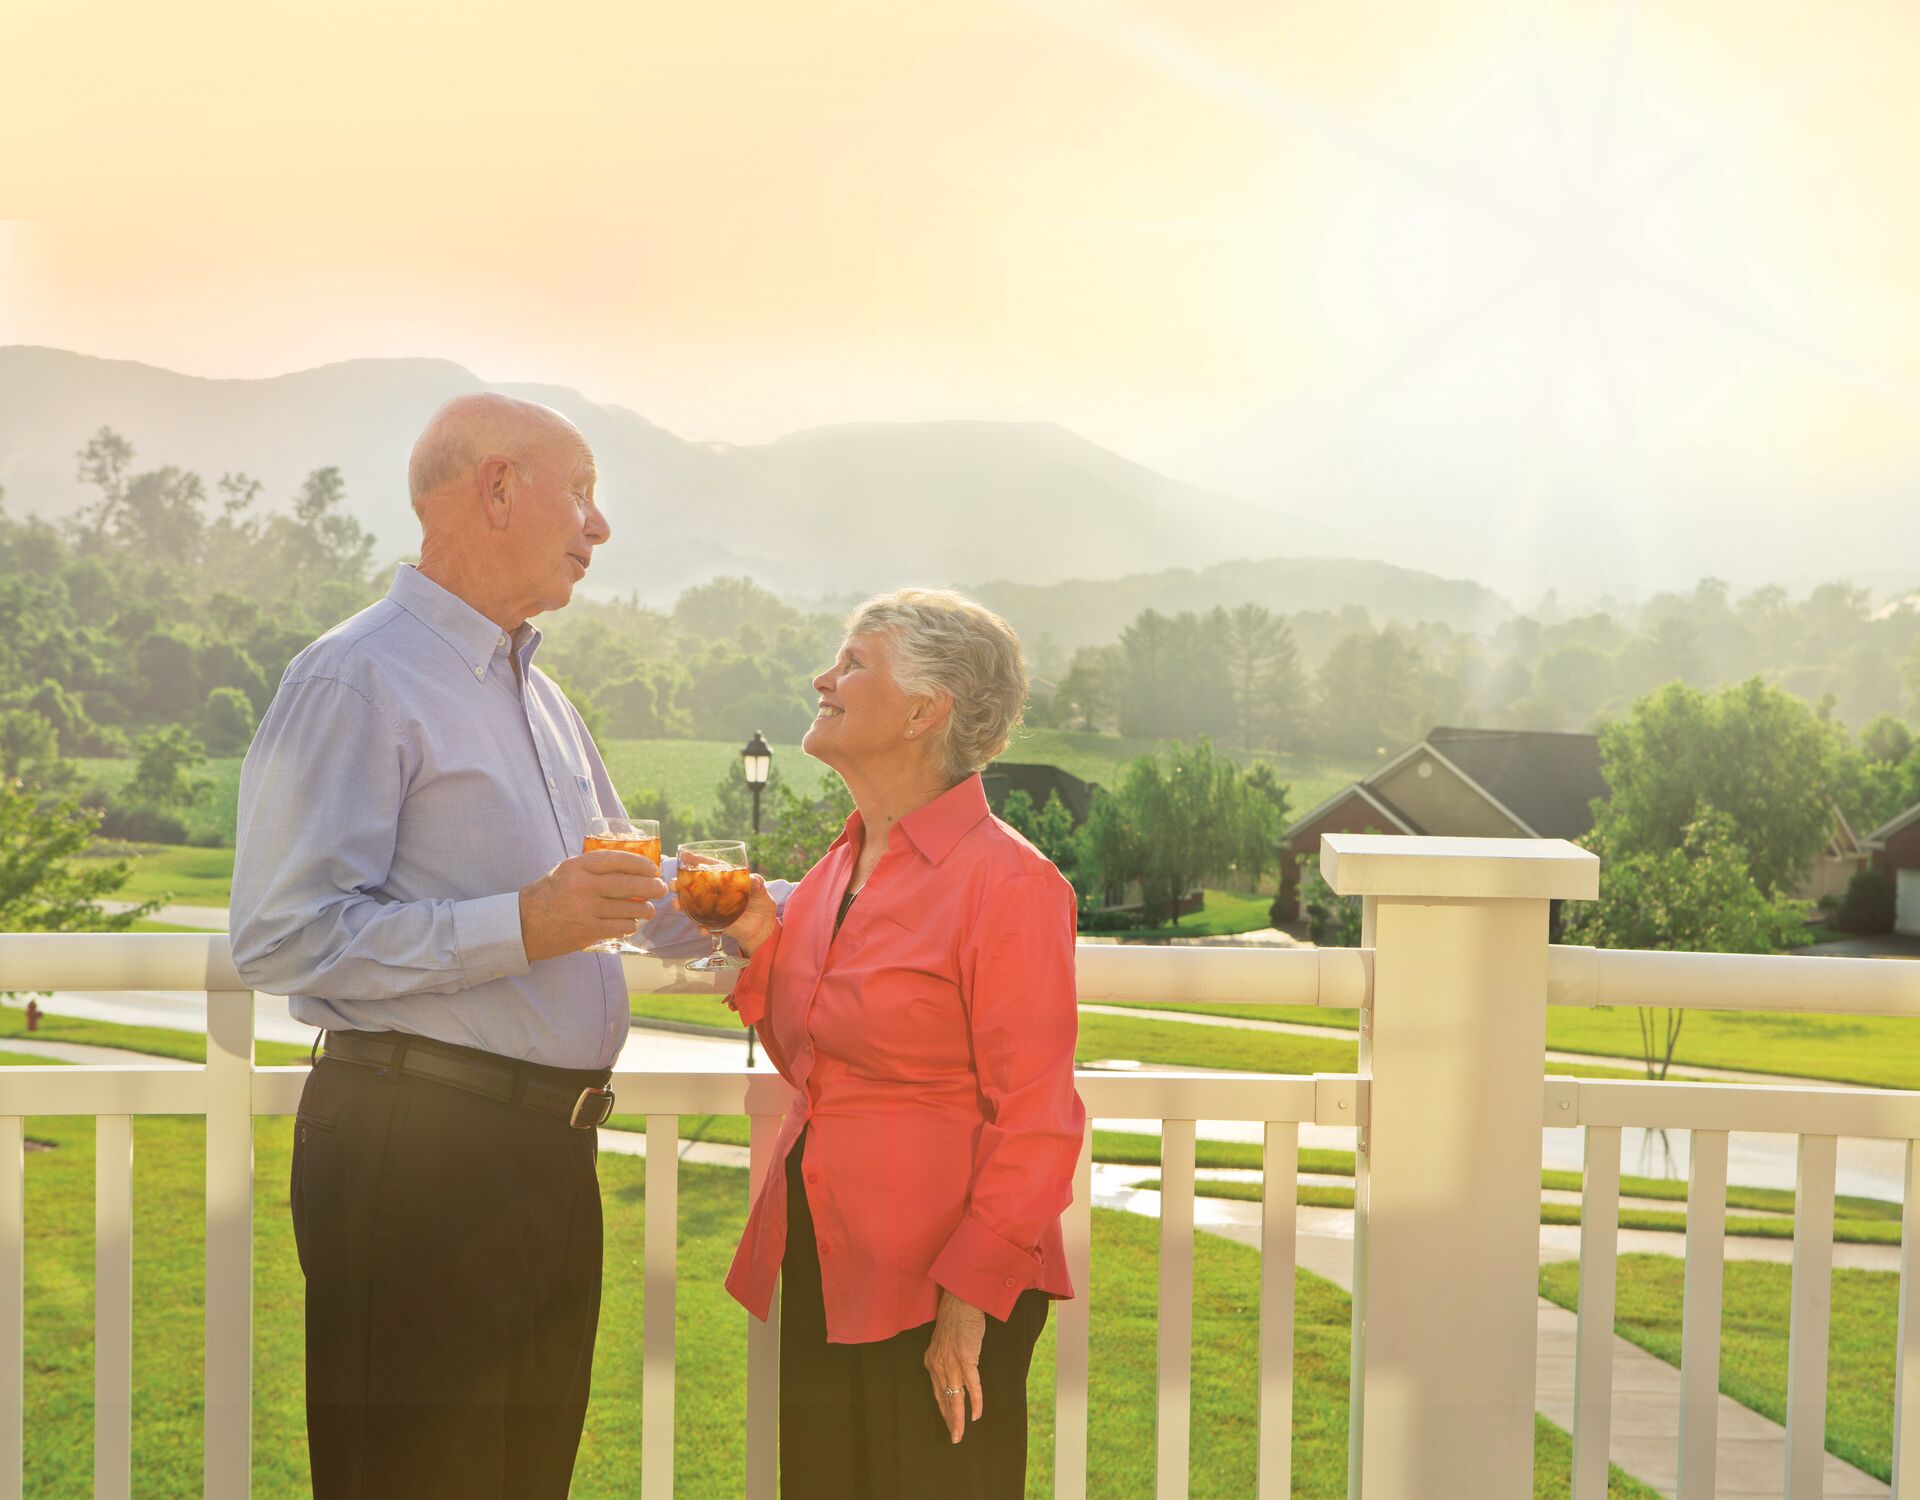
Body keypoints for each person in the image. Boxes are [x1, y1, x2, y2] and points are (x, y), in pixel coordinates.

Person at [230, 393, 702, 1498]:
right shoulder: (355, 676)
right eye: (579, 494)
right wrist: (525, 925)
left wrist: (798, 907)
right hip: (417, 1156)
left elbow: (619, 887)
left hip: (548, 1158)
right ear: (496, 489)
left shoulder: (543, 698)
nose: (599, 526)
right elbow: (281, 934)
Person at [720, 588, 1085, 1500]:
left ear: (925, 712)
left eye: (853, 664)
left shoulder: (1009, 883)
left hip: (945, 1282)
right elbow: (816, 1064)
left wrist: (969, 1301)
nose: (823, 679)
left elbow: (1038, 1119)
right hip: (829, 1253)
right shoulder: (834, 871)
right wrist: (764, 942)